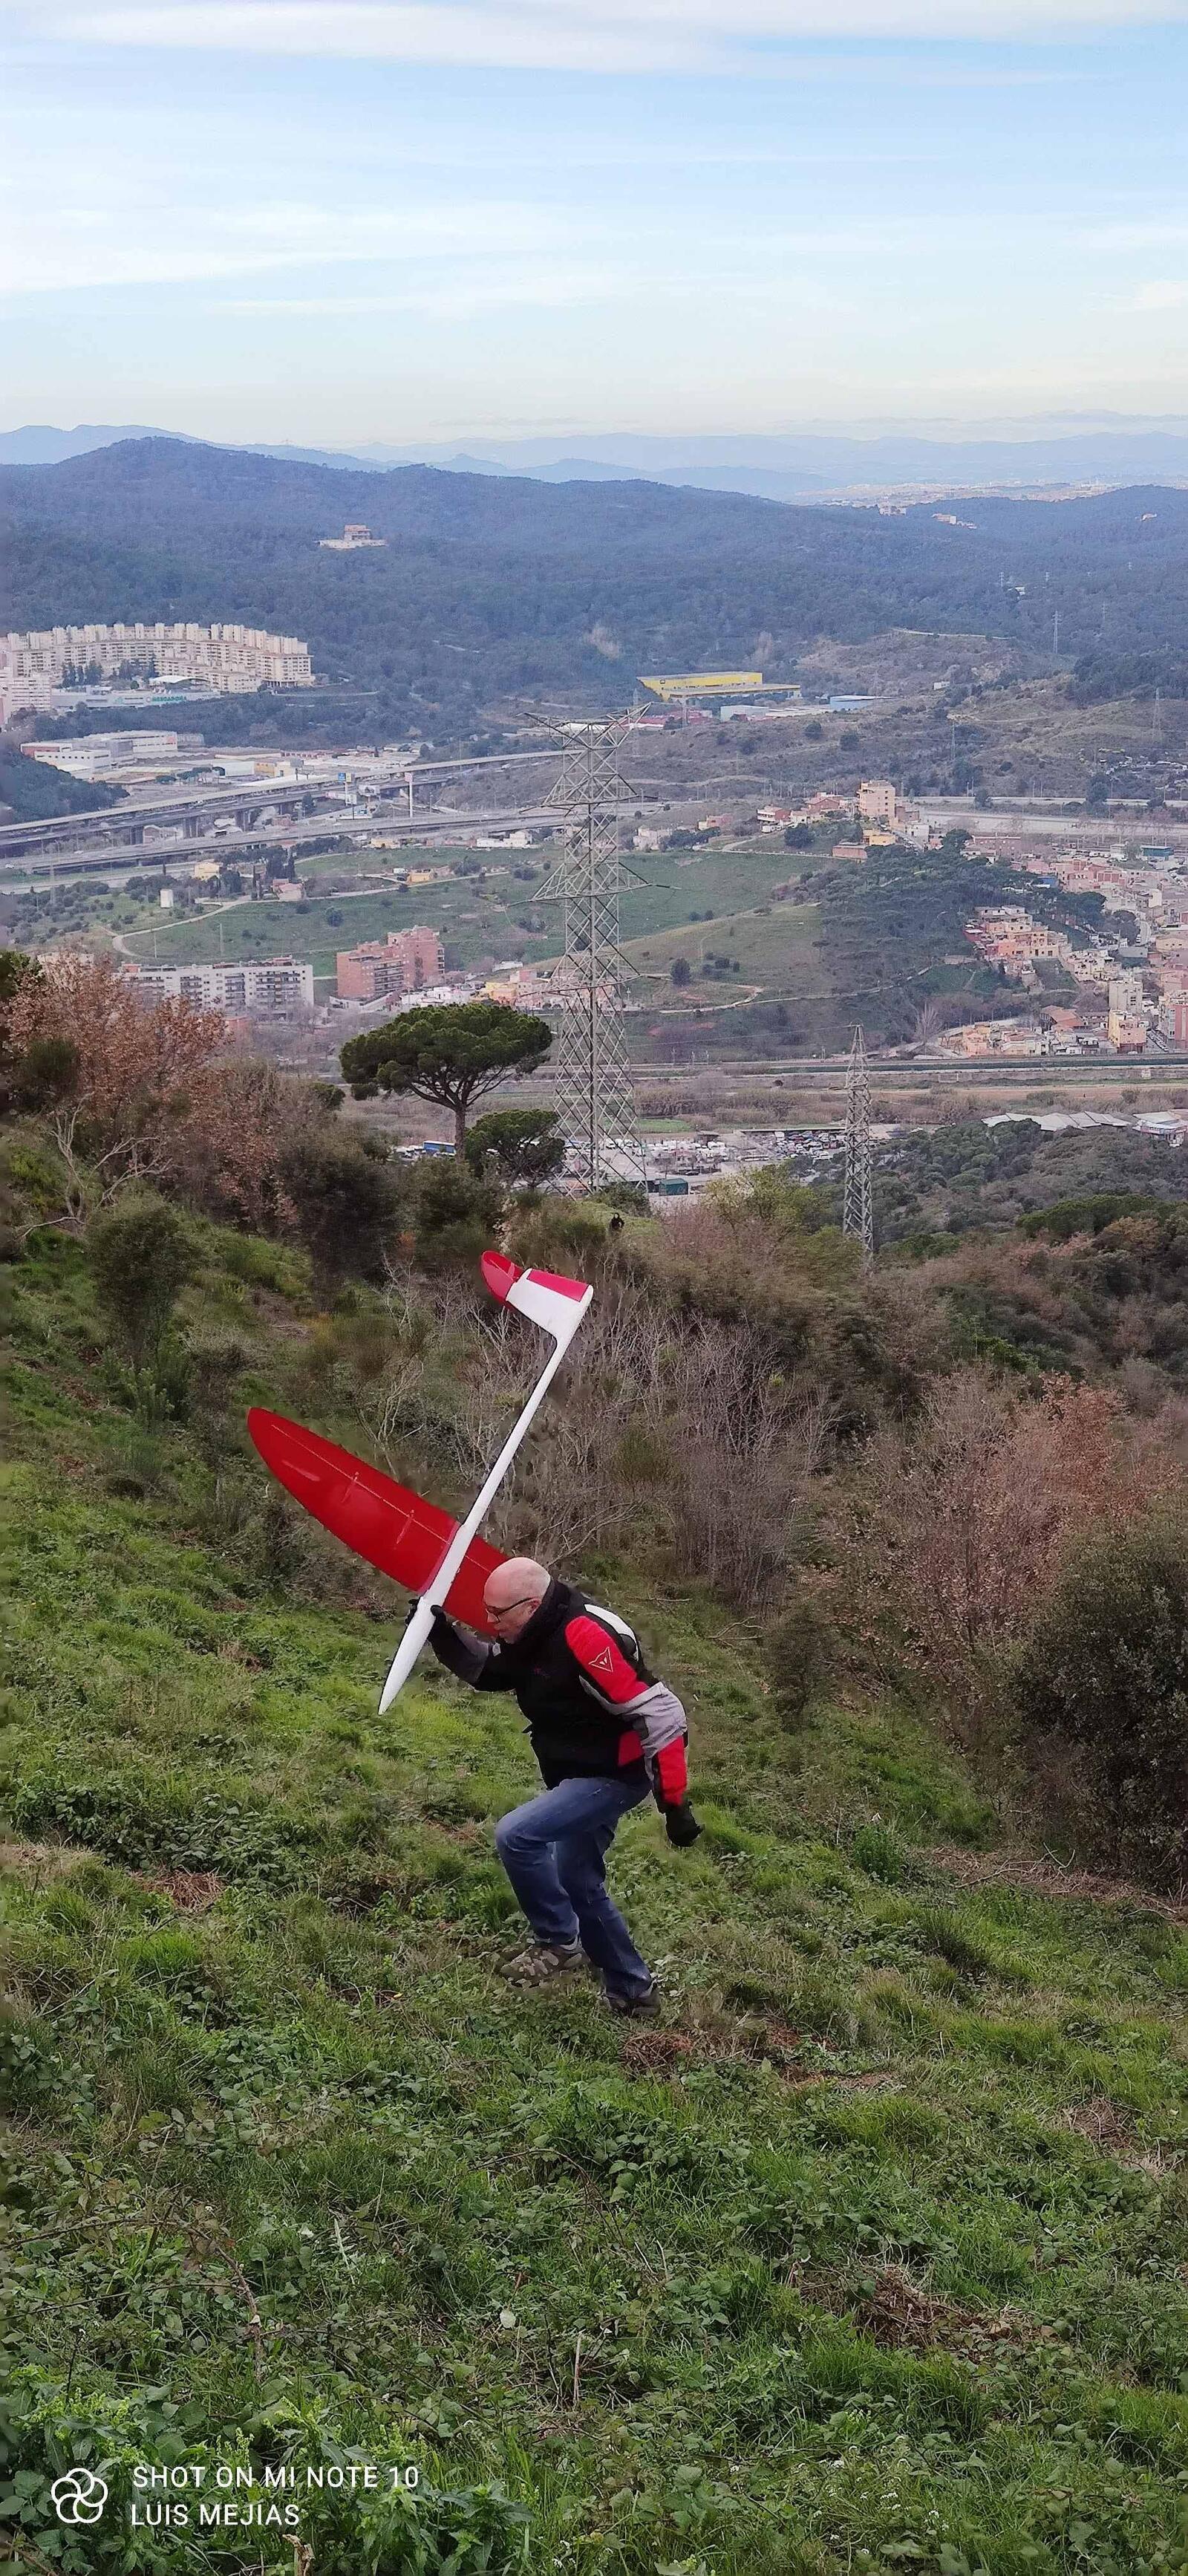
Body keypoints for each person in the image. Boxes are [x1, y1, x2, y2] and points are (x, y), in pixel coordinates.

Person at [428, 1557, 699, 2014]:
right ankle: (633, 1992)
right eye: (486, 1611)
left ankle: (557, 1940)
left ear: (532, 1606)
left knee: (517, 1835)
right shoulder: (528, 1632)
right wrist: (442, 1635)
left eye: (498, 1613)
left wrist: (674, 1804)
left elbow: (662, 1713)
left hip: (613, 1775)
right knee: (578, 1878)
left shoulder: (585, 1636)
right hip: (575, 1768)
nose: (490, 1623)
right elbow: (494, 1671)